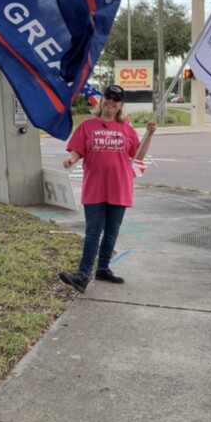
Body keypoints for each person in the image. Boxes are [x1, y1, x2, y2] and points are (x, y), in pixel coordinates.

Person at [59, 84, 157, 293]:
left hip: (119, 188)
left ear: (121, 105)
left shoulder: (127, 129)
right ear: (102, 101)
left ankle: (103, 268)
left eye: (116, 98)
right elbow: (77, 151)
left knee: (111, 232)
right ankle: (83, 275)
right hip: (94, 188)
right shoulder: (87, 126)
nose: (111, 101)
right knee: (93, 232)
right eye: (108, 97)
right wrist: (71, 160)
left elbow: (138, 155)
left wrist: (149, 134)